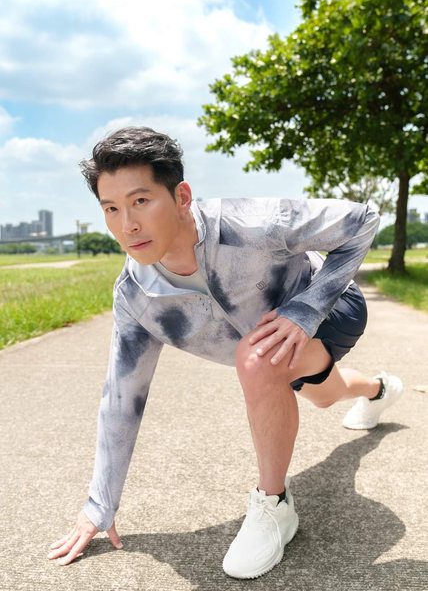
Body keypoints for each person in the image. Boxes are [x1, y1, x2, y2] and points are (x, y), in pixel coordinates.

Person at [48, 126, 403, 579]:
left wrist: (306, 309)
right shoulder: (136, 297)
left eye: (141, 201)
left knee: (257, 359)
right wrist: (99, 505)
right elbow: (122, 399)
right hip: (275, 350)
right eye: (111, 209)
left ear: (181, 197)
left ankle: (274, 504)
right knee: (324, 393)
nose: (127, 225)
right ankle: (378, 390)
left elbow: (363, 219)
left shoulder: (248, 223)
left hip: (331, 308)